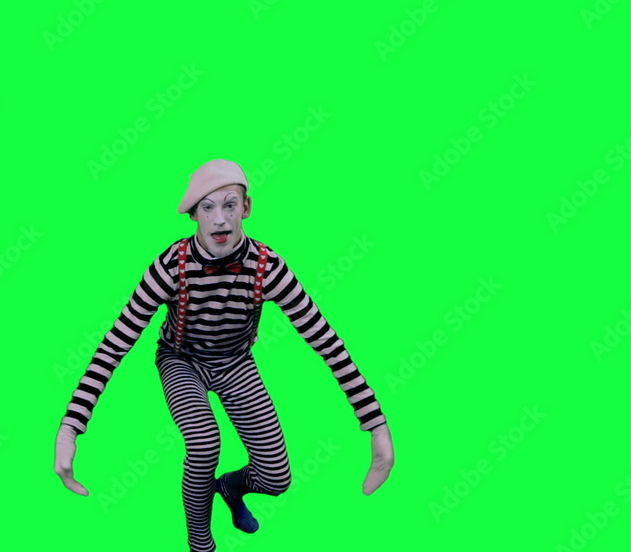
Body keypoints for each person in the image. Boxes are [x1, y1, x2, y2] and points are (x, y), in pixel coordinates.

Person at [54, 159, 394, 552]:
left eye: (229, 205)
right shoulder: (170, 267)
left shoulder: (268, 267)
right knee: (203, 443)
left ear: (246, 208)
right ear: (194, 215)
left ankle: (230, 488)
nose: (219, 219)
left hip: (236, 364)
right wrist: (71, 427)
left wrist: (376, 425)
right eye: (208, 207)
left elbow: (325, 340)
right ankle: (201, 543)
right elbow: (116, 342)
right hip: (181, 361)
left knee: (276, 477)